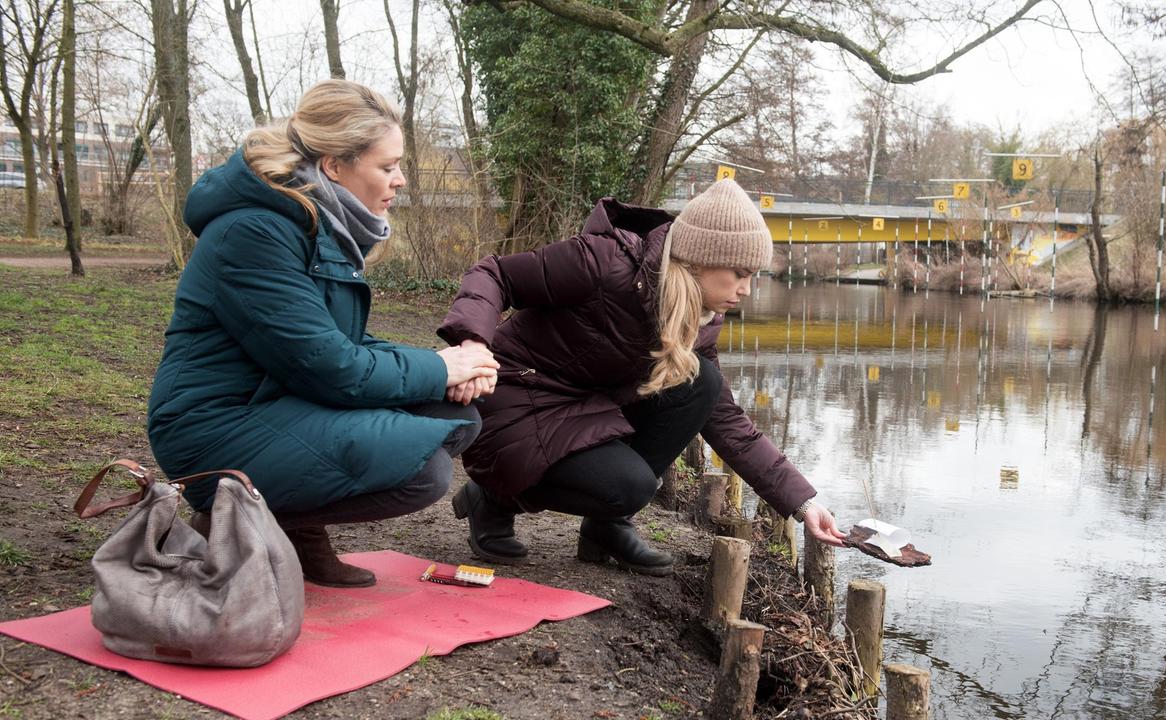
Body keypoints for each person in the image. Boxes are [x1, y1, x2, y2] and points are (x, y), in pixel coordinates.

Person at [147, 80, 498, 588]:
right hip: (214, 426)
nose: (400, 180)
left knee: (455, 415)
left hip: (277, 400)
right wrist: (442, 367)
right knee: (424, 471)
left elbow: (337, 345)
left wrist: (446, 369)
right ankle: (231, 516)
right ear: (335, 165)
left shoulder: (313, 225)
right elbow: (330, 366)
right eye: (387, 166)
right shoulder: (254, 233)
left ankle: (296, 530)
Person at [438, 179, 847, 577]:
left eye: (753, 275)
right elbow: (494, 275)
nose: (747, 289)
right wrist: (473, 343)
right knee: (630, 485)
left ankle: (606, 526)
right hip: (515, 397)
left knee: (699, 381)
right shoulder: (602, 263)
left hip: (582, 406)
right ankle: (491, 499)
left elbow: (726, 422)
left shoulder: (701, 318)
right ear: (699, 258)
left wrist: (803, 504)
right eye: (739, 273)